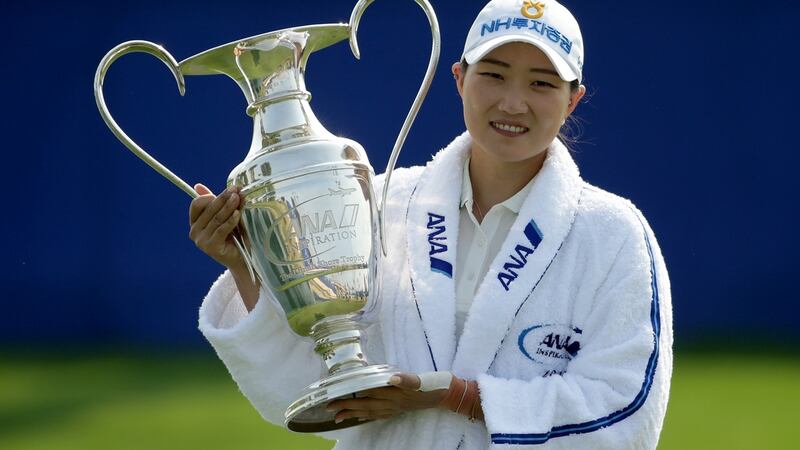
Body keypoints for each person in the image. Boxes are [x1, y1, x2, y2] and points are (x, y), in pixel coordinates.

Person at [188, 0, 673, 448]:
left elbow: (626, 414)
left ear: (573, 100)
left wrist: (453, 395)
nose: (512, 103)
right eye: (495, 75)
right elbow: (301, 387)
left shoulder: (613, 235)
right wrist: (243, 266)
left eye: (542, 83)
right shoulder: (384, 201)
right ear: (460, 79)